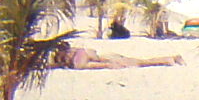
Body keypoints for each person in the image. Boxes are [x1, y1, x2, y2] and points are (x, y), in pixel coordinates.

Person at [52, 43, 184, 70]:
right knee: (139, 61)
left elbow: (94, 64)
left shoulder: (77, 60)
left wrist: (110, 65)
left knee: (139, 62)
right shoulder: (78, 51)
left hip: (106, 57)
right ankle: (169, 59)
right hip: (105, 54)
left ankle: (168, 59)